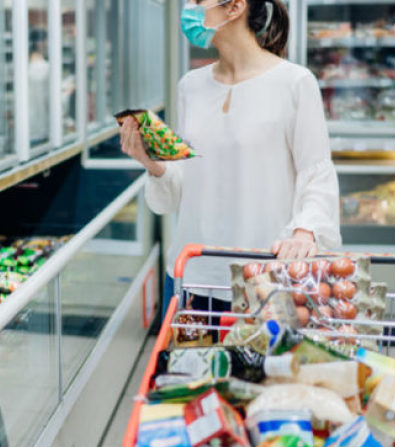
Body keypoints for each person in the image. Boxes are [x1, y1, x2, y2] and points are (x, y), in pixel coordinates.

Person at [120, 0, 342, 316]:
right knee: (191, 366)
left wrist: (305, 231)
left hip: (266, 280)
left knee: (260, 367)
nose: (188, 8)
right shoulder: (190, 86)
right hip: (193, 274)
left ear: (234, 7)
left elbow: (316, 174)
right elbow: (185, 186)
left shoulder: (294, 83)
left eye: (198, 1)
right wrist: (152, 162)